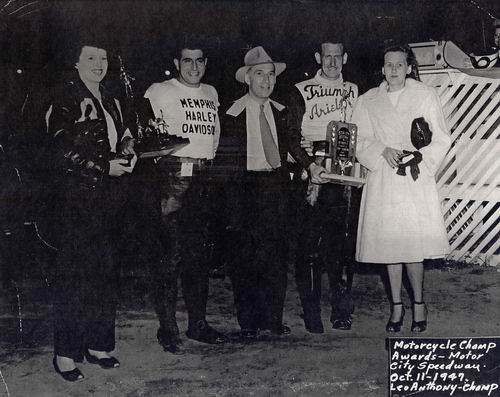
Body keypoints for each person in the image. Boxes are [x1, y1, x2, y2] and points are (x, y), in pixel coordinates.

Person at [46, 39, 137, 381]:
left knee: (105, 274)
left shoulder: (110, 98)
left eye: (103, 58)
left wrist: (128, 146)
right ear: (76, 62)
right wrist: (102, 167)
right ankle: (66, 353)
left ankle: (99, 345)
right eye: (90, 58)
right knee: (74, 277)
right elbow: (58, 148)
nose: (99, 64)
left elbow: (120, 138)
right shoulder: (64, 96)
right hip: (76, 201)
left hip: (110, 200)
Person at [352, 44, 451, 333]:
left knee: (413, 245)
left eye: (399, 64)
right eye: (388, 65)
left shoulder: (425, 95)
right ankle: (396, 305)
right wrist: (382, 150)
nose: (393, 69)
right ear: (382, 69)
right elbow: (360, 140)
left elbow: (442, 138)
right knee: (389, 247)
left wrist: (422, 156)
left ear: (409, 67)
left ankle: (419, 303)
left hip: (415, 179)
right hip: (384, 178)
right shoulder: (368, 100)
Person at [144, 40, 228, 351]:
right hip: (173, 177)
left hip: (204, 176)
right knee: (169, 257)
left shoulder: (211, 93)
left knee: (199, 257)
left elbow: (214, 136)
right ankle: (168, 329)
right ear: (177, 62)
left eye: (199, 61)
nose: (194, 67)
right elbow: (144, 130)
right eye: (187, 60)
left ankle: (198, 324)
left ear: (206, 62)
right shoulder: (159, 90)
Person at [219, 46, 304, 339]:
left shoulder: (281, 112)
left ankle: (273, 318)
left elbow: (293, 146)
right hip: (245, 189)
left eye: (270, 75)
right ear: (247, 79)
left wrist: (309, 166)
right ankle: (249, 322)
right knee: (245, 257)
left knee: (276, 255)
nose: (266, 81)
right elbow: (225, 162)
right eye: (259, 75)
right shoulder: (230, 113)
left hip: (276, 186)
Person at [287, 41, 358, 333]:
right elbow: (290, 135)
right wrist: (308, 164)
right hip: (312, 174)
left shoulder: (355, 90)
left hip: (345, 171)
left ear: (345, 57)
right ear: (318, 57)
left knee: (340, 246)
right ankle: (311, 310)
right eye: (326, 56)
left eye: (337, 56)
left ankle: (341, 310)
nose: (331, 62)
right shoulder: (301, 89)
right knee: (309, 247)